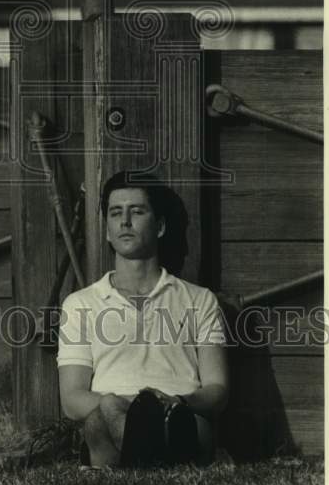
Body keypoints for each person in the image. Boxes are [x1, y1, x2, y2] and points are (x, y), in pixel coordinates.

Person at [57, 172, 228, 468]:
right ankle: (152, 454)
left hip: (180, 415)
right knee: (100, 417)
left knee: (181, 424)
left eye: (137, 211)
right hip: (109, 417)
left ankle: (143, 454)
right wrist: (124, 406)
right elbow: (72, 399)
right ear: (108, 231)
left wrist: (177, 401)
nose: (125, 221)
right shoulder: (80, 304)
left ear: (160, 226)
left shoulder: (199, 300)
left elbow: (218, 390)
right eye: (115, 213)